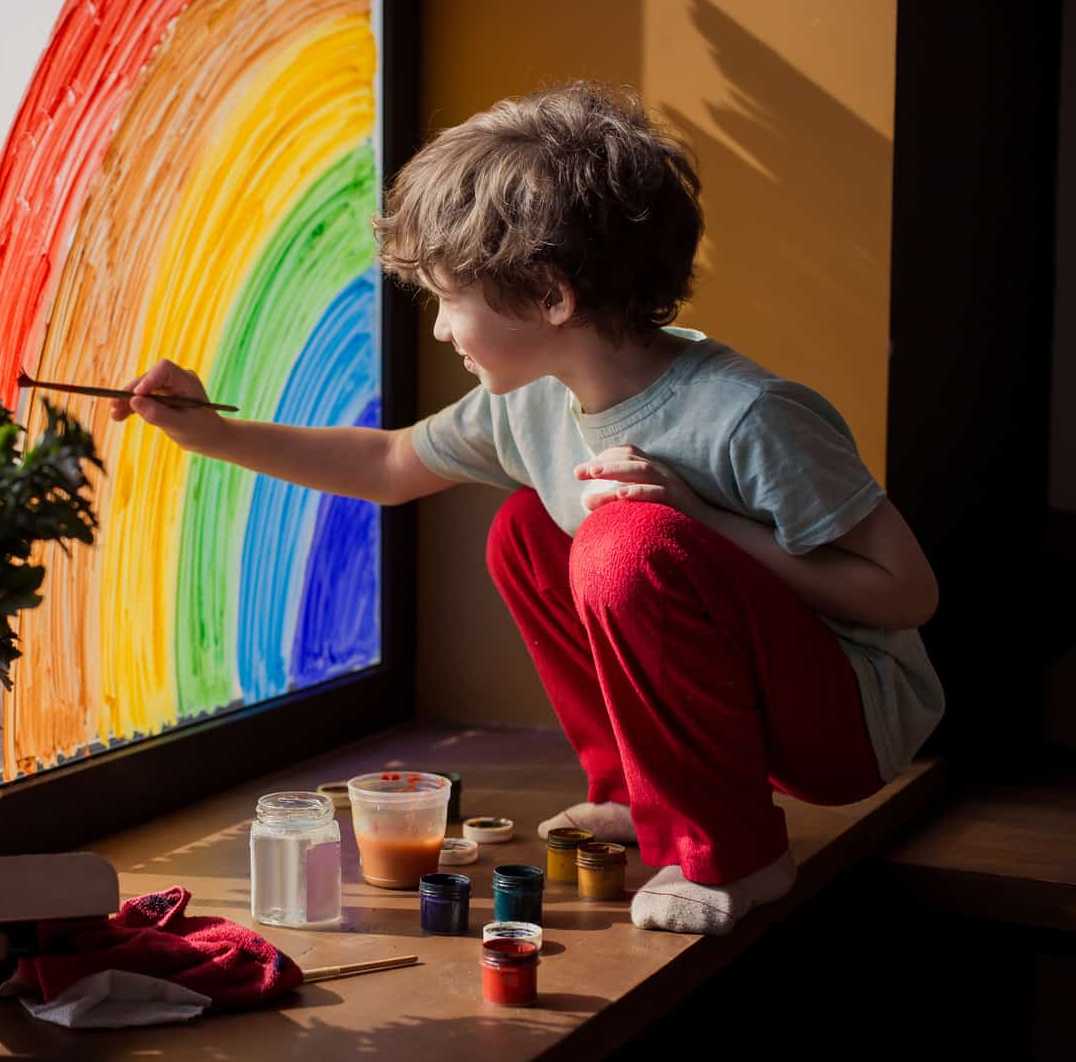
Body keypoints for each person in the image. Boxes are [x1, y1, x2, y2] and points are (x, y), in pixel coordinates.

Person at [109, 80, 944, 936]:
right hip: (737, 704)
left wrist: (705, 522)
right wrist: (210, 434)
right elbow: (392, 462)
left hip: (847, 725)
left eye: (448, 299)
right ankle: (634, 794)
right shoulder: (531, 401)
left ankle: (733, 854)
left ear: (550, 297)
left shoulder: (748, 415)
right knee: (528, 531)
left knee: (627, 545)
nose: (438, 330)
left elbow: (905, 593)